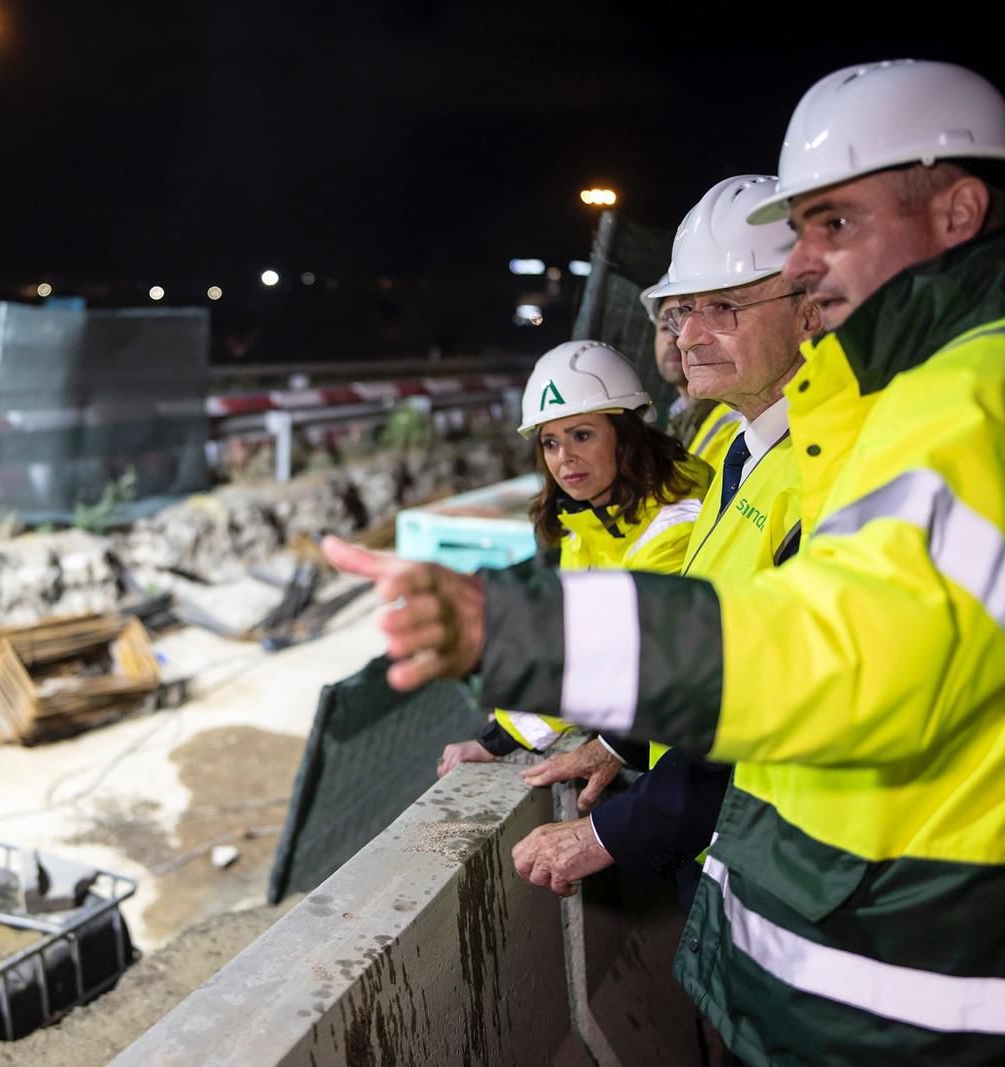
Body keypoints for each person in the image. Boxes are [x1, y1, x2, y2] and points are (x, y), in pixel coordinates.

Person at [327, 59, 1005, 1063]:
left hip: (901, 979)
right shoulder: (798, 434)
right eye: (676, 314)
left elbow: (832, 656)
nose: (805, 263)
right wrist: (612, 746)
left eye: (833, 225)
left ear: (956, 210)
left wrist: (512, 629)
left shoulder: (957, 404)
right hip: (822, 951)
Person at [516, 174, 814, 913]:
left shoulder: (823, 468)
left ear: (812, 304)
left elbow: (777, 699)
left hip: (792, 869)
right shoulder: (746, 459)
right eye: (682, 312)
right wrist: (620, 746)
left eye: (724, 306)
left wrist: (613, 832)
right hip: (741, 856)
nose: (686, 338)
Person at [436, 338, 708, 781]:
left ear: (627, 434)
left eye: (582, 435)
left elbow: (609, 659)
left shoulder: (677, 520)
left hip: (690, 770)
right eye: (550, 443)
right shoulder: (591, 517)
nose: (565, 459)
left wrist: (499, 738)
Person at [641, 274, 742, 467]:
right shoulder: (678, 419)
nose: (676, 338)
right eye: (665, 327)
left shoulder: (737, 415)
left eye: (684, 322)